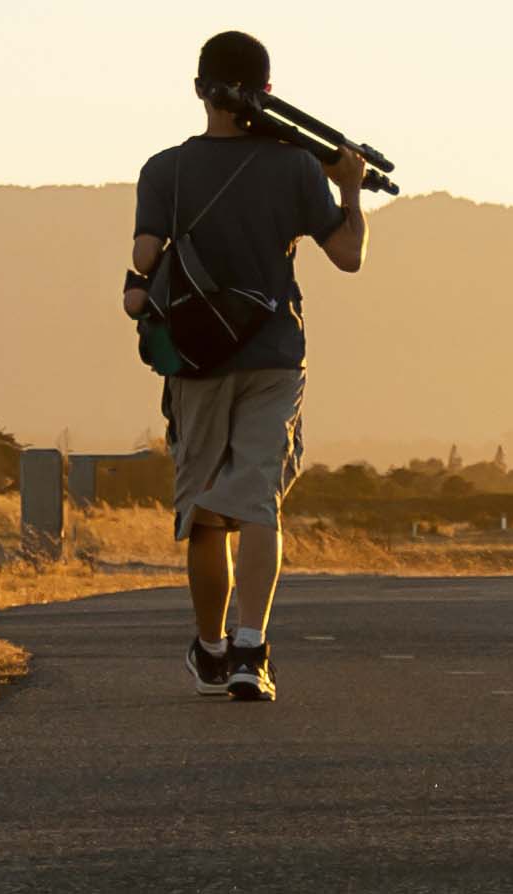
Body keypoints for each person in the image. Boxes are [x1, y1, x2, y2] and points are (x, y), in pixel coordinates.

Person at [124, 31, 370, 702]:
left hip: (197, 359)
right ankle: (250, 648)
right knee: (258, 501)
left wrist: (140, 278)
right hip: (272, 354)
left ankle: (209, 649)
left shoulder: (163, 169)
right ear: (266, 93)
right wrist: (348, 191)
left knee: (206, 508)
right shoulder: (294, 167)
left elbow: (145, 260)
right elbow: (347, 256)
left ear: (198, 88)